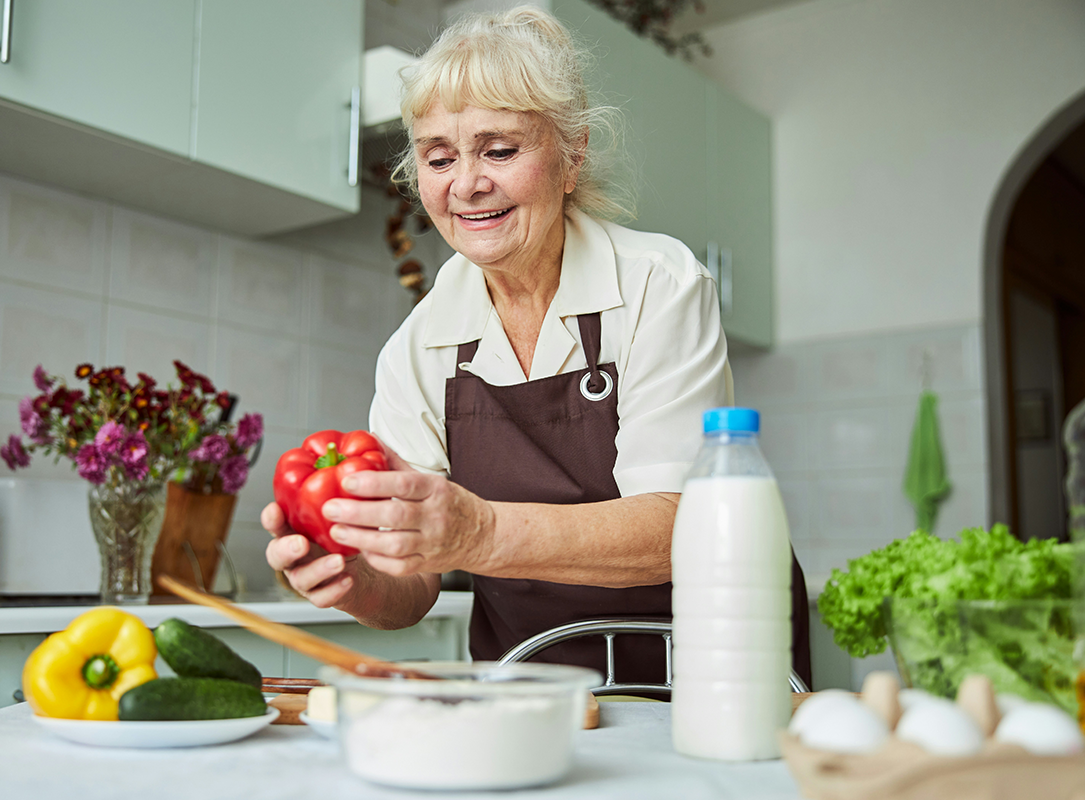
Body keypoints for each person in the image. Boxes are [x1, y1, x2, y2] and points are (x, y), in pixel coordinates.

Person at [263, 5, 811, 687]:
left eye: (500, 149)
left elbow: (686, 525)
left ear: (572, 155)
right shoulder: (420, 346)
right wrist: (353, 580)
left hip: (708, 674)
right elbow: (414, 584)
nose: (466, 184)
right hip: (532, 685)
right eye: (439, 156)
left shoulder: (658, 286)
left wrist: (479, 533)